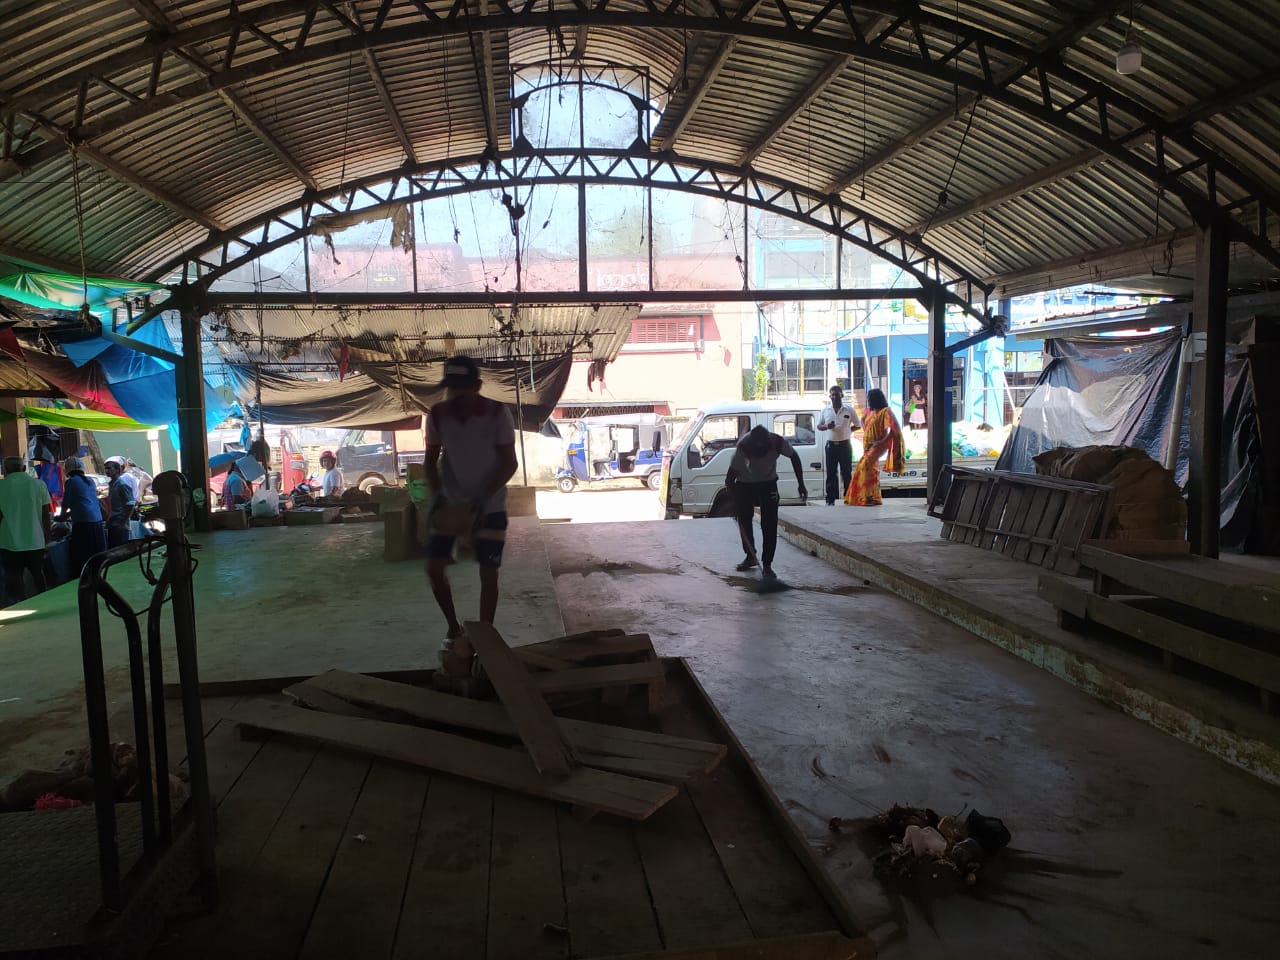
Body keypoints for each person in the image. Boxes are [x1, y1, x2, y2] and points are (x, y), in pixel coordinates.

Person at [424, 355, 518, 645]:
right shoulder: (438, 415)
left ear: (477, 386)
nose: (457, 394)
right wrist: (439, 498)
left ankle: (484, 636)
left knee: (489, 572)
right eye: (452, 387)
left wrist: (480, 500)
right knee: (434, 569)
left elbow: (509, 463)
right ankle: (453, 628)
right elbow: (430, 462)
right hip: (452, 501)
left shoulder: (497, 414)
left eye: (463, 387)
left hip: (490, 505)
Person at [726, 424, 807, 580]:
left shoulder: (778, 442)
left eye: (762, 451)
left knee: (769, 523)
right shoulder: (743, 447)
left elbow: (794, 457)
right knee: (745, 519)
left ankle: (767, 564)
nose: (759, 455)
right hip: (745, 484)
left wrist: (801, 484)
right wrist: (734, 500)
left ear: (768, 445)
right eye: (756, 453)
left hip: (768, 483)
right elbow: (729, 479)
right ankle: (750, 556)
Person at [0, 455, 51, 603]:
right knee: (38, 575)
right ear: (24, 468)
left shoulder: (1, 486)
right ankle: (45, 601)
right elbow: (46, 515)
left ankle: (20, 604)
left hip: (9, 541)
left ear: (5, 470)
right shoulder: (39, 485)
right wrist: (47, 537)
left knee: (14, 577)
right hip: (35, 540)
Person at [845, 388, 905, 506]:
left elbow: (893, 430)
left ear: (876, 399)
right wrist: (866, 429)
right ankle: (874, 497)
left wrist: (881, 442)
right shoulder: (869, 411)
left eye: (870, 398)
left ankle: (868, 497)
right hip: (867, 444)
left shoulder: (885, 411)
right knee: (871, 468)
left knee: (865, 466)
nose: (868, 400)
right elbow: (862, 420)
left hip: (879, 444)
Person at [62, 456, 106, 578]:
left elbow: (66, 504)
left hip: (83, 525)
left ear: (67, 470)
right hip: (97, 522)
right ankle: (97, 577)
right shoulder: (90, 481)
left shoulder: (70, 482)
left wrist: (61, 517)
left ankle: (84, 579)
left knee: (82, 556)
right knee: (96, 554)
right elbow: (82, 503)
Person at [817, 384, 859, 506]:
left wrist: (848, 431)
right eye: (832, 395)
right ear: (830, 396)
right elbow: (819, 426)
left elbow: (857, 425)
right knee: (831, 473)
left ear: (842, 395)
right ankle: (830, 500)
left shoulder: (849, 410)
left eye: (837, 394)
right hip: (831, 446)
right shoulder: (825, 410)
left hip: (845, 445)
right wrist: (827, 426)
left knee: (846, 472)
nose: (835, 397)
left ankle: (848, 498)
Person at [103, 456, 138, 547]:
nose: (106, 471)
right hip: (112, 523)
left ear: (117, 470)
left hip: (119, 525)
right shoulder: (112, 484)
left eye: (109, 468)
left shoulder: (121, 485)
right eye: (105, 469)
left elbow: (131, 504)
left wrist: (123, 522)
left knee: (120, 549)